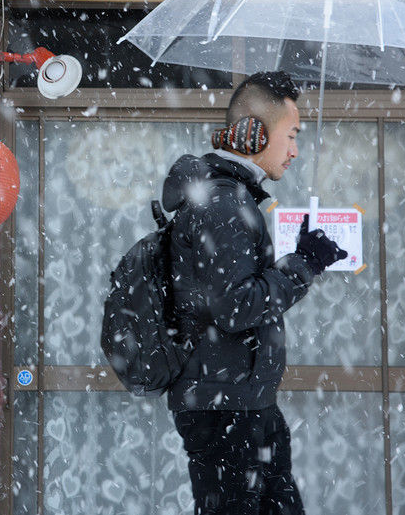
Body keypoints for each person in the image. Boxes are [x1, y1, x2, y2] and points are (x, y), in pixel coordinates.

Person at [162, 70, 347, 515]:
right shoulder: (225, 204)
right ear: (254, 132)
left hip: (241, 401)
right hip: (227, 410)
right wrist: (305, 263)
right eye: (292, 135)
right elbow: (235, 306)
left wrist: (301, 259)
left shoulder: (231, 199)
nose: (296, 150)